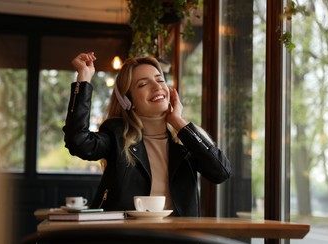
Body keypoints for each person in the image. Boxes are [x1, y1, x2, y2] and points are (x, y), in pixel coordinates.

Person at [63, 52, 231, 216]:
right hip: (127, 238)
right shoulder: (117, 134)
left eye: (160, 80)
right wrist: (83, 79)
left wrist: (178, 122)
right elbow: (78, 142)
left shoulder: (185, 139)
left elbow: (221, 172)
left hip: (177, 239)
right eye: (143, 84)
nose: (157, 87)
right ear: (128, 100)